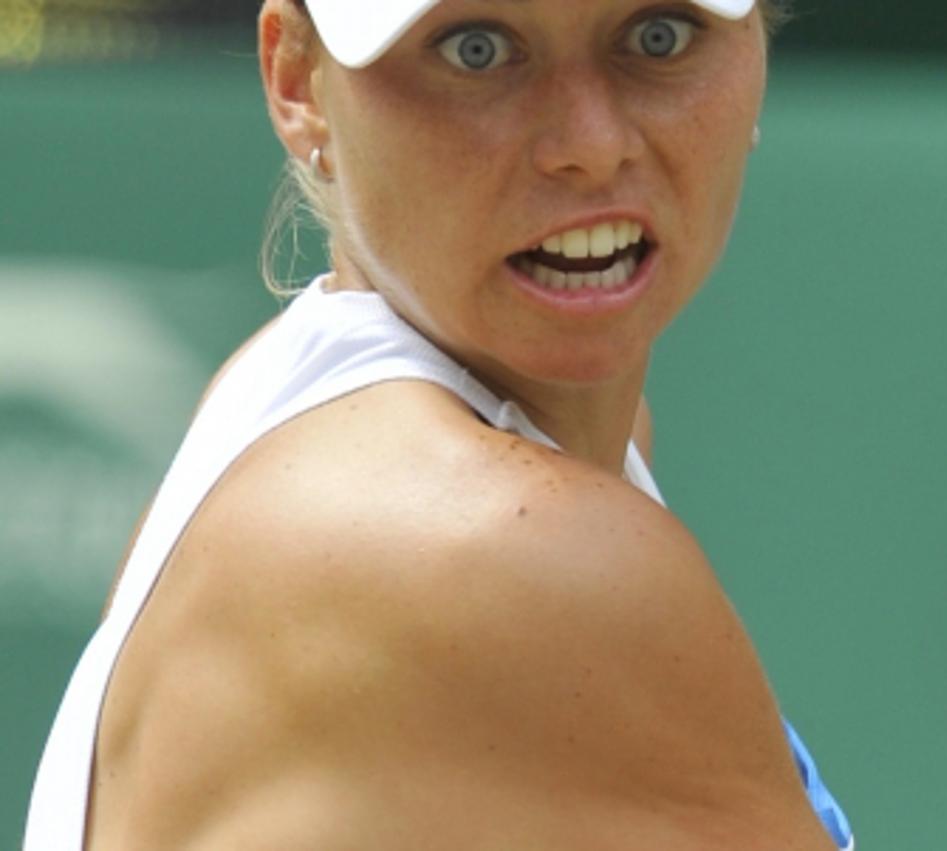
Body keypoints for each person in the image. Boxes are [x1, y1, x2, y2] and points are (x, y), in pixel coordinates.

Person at [26, 1, 855, 848]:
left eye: (658, 36)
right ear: (295, 81)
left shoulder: (299, 392)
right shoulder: (501, 544)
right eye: (476, 49)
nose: (592, 142)